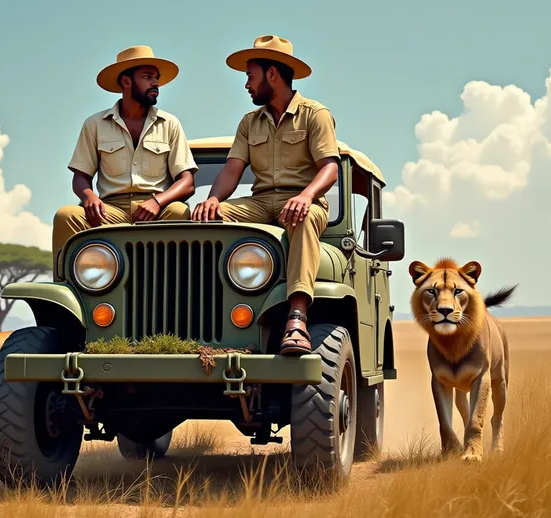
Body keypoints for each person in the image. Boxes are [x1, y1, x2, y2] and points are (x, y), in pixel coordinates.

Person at [192, 35, 341, 356]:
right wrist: (213, 199)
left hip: (305, 201)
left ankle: (297, 317)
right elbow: (232, 170)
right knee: (204, 217)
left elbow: (329, 168)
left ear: (271, 74)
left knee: (304, 217)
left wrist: (306, 196)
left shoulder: (315, 115)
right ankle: (202, 314)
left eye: (250, 76)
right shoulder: (249, 123)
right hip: (260, 203)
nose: (247, 84)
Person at [52, 45, 198, 271]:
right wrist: (89, 196)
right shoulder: (95, 124)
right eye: (148, 77)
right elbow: (80, 177)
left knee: (180, 212)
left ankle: (171, 287)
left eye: (157, 78)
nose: (156, 84)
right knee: (66, 215)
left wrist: (157, 202)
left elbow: (187, 182)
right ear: (126, 82)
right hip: (110, 211)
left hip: (158, 211)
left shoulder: (170, 124)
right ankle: (68, 284)